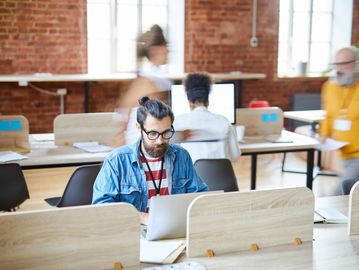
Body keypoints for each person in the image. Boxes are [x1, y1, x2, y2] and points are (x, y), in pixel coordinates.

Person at [93, 97, 208, 222]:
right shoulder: (116, 161)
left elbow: (200, 198)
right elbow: (101, 207)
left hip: (174, 230)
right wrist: (143, 218)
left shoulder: (181, 156)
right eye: (153, 134)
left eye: (166, 133)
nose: (160, 141)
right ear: (139, 127)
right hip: (133, 232)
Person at [113, 24, 171, 146]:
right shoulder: (148, 83)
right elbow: (159, 127)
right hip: (142, 151)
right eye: (166, 46)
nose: (168, 50)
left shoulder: (154, 79)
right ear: (155, 49)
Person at [173, 72, 241, 163]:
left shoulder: (178, 122)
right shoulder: (224, 122)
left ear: (190, 102)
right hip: (221, 176)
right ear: (207, 101)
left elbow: (174, 156)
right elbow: (235, 156)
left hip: (190, 177)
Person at [319, 46, 359, 194]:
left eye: (342, 65)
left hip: (358, 155)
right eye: (336, 65)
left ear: (354, 64)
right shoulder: (330, 87)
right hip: (344, 152)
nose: (338, 70)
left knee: (338, 194)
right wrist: (324, 135)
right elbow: (329, 115)